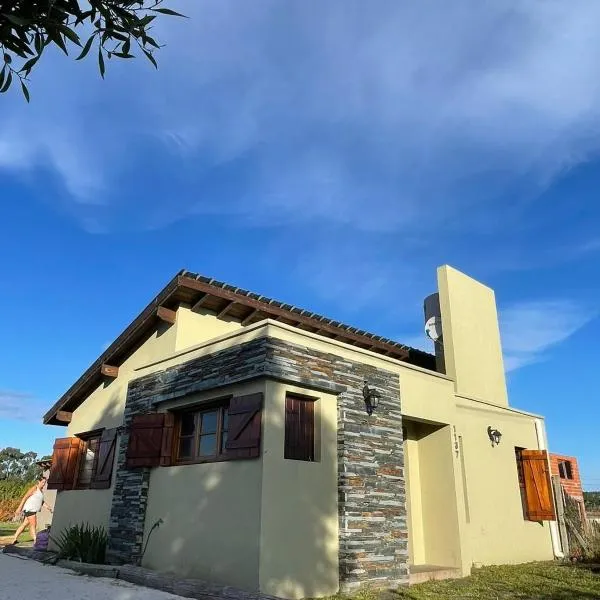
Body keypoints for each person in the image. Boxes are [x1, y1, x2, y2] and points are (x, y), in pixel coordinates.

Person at [10, 476, 53, 545]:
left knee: (24, 524)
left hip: (33, 510)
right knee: (33, 525)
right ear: (39, 482)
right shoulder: (34, 488)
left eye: (45, 482)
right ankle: (36, 541)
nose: (44, 484)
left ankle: (14, 538)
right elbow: (25, 497)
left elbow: (41, 501)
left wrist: (47, 507)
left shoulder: (41, 491)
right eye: (43, 482)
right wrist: (19, 508)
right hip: (30, 509)